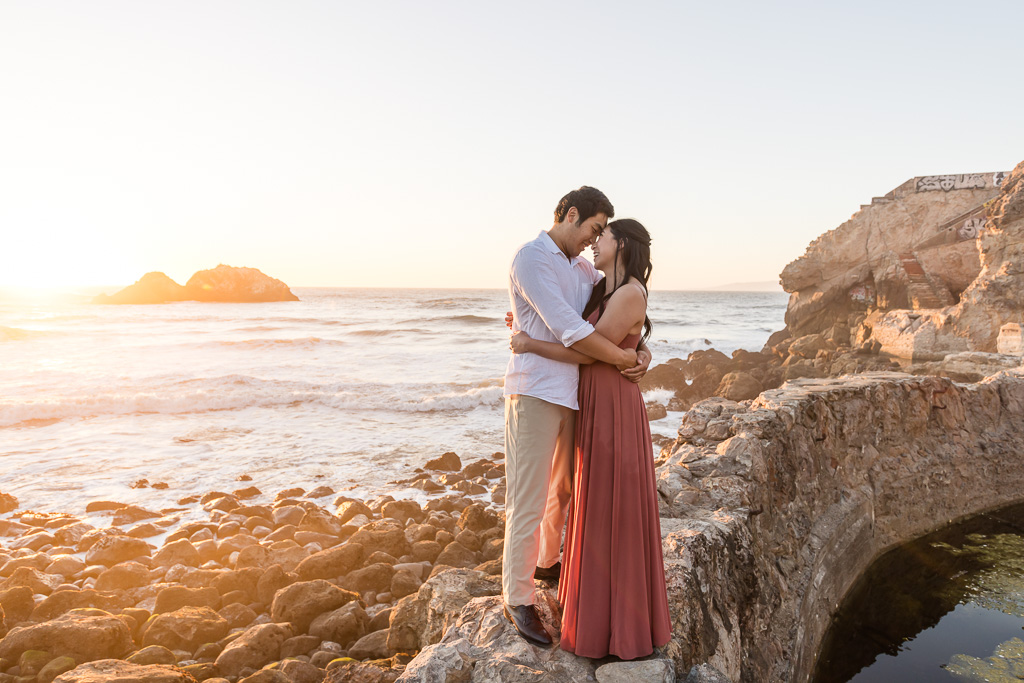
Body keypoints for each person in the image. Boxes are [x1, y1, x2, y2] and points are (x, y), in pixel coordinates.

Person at [510, 218, 671, 659]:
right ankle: (591, 610)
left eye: (604, 235)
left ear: (622, 245)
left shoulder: (630, 291)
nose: (596, 242)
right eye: (595, 232)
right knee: (590, 501)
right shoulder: (598, 286)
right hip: (592, 401)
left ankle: (619, 627)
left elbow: (587, 348)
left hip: (614, 404)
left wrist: (529, 344)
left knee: (612, 505)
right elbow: (570, 321)